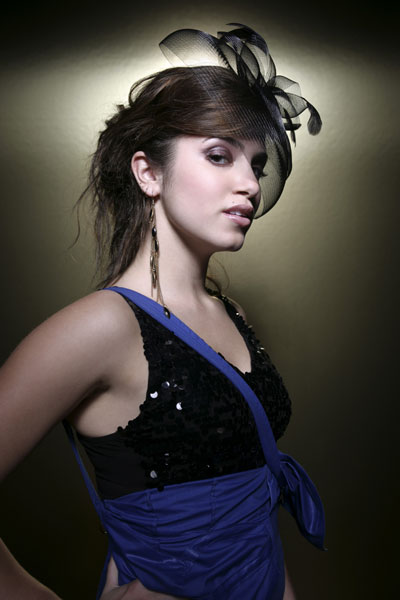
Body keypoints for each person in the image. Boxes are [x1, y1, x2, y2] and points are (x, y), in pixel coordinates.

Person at [0, 24, 325, 600]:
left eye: (256, 165)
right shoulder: (102, 327)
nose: (249, 184)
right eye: (219, 156)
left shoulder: (231, 313)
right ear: (148, 172)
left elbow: (253, 516)